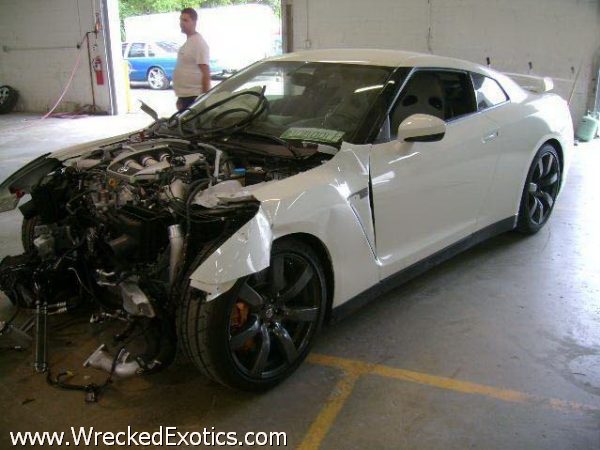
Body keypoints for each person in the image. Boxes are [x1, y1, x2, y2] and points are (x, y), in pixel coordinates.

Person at [173, 7, 211, 111]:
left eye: (185, 20)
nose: (181, 23)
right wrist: (180, 98)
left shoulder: (198, 43)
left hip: (194, 98)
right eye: (181, 20)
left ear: (194, 22)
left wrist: (203, 100)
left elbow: (206, 73)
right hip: (185, 97)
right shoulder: (189, 42)